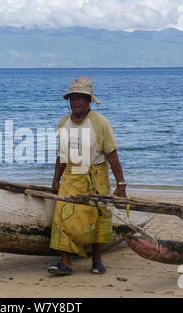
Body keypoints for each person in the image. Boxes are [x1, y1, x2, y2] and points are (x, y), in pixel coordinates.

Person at [48, 76, 127, 275]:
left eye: (80, 98)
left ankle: (97, 260)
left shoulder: (100, 123)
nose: (75, 101)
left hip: (96, 174)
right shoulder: (64, 123)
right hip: (72, 176)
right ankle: (65, 262)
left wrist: (121, 184)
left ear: (89, 100)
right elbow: (62, 155)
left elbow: (112, 154)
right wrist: (56, 179)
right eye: (72, 98)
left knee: (98, 215)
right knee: (62, 214)